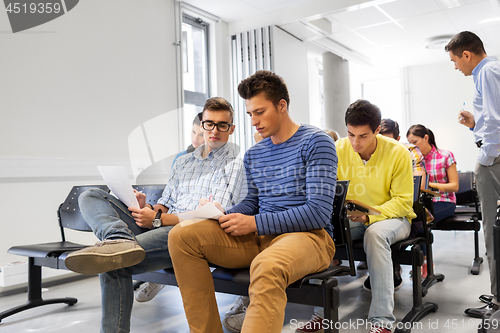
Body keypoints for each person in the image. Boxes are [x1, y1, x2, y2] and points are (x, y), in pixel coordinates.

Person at [167, 70, 338, 333]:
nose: (254, 121)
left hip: (309, 237)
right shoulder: (255, 153)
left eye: (260, 112)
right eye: (249, 114)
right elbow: (254, 201)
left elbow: (317, 213)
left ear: (282, 105)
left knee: (266, 265)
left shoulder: (316, 142)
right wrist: (227, 213)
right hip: (261, 237)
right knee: (181, 236)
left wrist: (254, 223)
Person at [64, 97, 245, 333]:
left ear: (231, 129)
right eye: (209, 123)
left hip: (187, 235)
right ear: (202, 125)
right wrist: (149, 208)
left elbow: (210, 216)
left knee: (113, 262)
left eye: (222, 125)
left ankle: (118, 246)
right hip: (161, 226)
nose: (215, 130)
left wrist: (158, 220)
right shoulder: (183, 163)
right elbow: (166, 203)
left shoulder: (235, 164)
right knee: (91, 195)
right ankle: (118, 239)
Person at [297, 100, 414, 333]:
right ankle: (321, 314)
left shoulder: (399, 152)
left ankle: (382, 321)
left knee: (375, 234)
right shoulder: (338, 148)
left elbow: (403, 202)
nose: (355, 142)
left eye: (363, 136)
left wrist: (370, 216)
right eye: (350, 134)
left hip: (393, 219)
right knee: (320, 232)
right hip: (351, 217)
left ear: (377, 130)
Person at [445, 31, 500, 316]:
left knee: (492, 231)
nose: (456, 67)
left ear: (466, 55)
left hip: (493, 161)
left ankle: (499, 303)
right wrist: (473, 124)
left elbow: (495, 121)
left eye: (455, 61)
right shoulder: (490, 71)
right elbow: (489, 119)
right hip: (494, 157)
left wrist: (485, 158)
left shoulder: (487, 70)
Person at [407, 124, 459, 222]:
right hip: (421, 202)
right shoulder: (412, 160)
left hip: (444, 201)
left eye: (415, 142)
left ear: (426, 138)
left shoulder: (446, 156)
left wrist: (427, 185)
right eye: (410, 143)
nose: (412, 147)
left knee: (419, 221)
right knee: (407, 219)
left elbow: (454, 186)